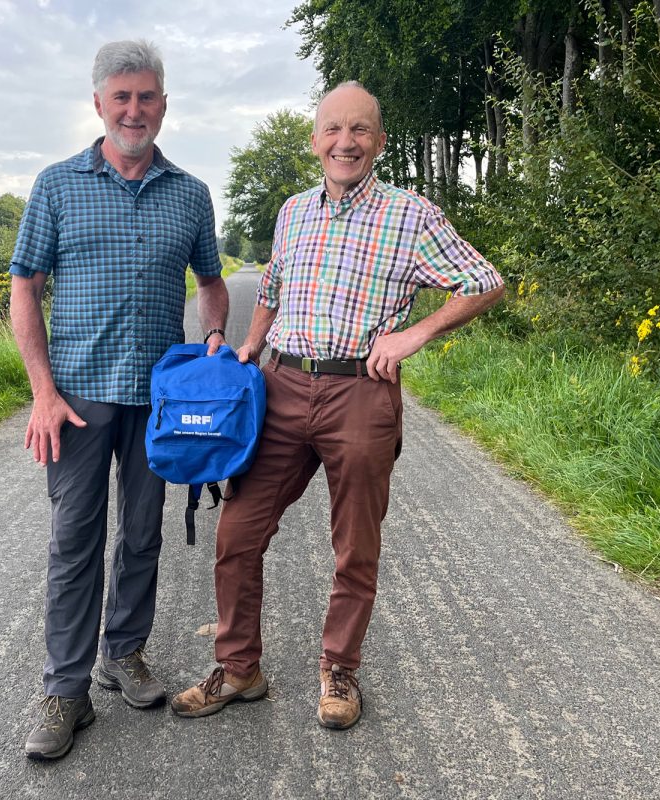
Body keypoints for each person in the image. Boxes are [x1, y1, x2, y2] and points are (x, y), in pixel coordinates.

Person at [171, 81, 504, 730]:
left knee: (355, 545)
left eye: (359, 131)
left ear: (378, 142)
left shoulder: (410, 215)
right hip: (284, 386)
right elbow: (271, 286)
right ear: (315, 139)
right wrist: (249, 346)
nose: (344, 143)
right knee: (238, 531)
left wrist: (414, 334)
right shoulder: (294, 211)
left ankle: (339, 668)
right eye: (332, 130)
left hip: (361, 394)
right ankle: (239, 668)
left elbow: (483, 281)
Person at [10, 39, 228, 761]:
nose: (135, 109)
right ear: (99, 103)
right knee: (75, 542)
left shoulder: (191, 195)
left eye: (147, 96)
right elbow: (24, 288)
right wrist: (41, 393)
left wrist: (219, 335)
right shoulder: (56, 186)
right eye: (121, 96)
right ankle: (65, 689)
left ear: (164, 104)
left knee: (143, 534)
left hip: (157, 403)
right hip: (74, 399)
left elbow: (210, 281)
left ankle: (123, 653)